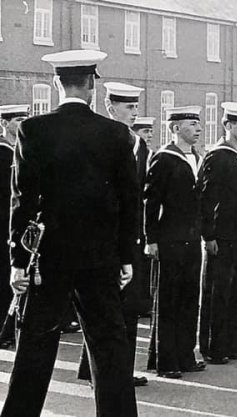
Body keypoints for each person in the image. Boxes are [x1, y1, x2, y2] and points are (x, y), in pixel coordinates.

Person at [2, 49, 138, 417]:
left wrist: (17, 261)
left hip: (49, 258)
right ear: (92, 84)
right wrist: (126, 256)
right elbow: (129, 201)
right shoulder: (116, 134)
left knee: (35, 346)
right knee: (110, 347)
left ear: (55, 83)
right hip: (100, 258)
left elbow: (22, 201)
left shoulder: (33, 130)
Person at [77, 81, 149, 387]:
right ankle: (109, 372)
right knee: (108, 309)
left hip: (129, 232)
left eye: (135, 107)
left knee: (121, 308)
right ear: (110, 108)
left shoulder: (137, 142)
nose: (134, 113)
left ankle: (102, 368)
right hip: (109, 235)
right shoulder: (101, 138)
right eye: (128, 107)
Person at [143, 105, 205, 378]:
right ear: (175, 128)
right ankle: (166, 361)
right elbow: (150, 201)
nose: (198, 129)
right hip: (170, 240)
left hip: (192, 240)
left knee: (190, 299)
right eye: (191, 124)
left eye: (198, 124)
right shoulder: (164, 158)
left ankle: (185, 355)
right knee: (168, 301)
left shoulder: (197, 157)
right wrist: (151, 238)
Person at [198, 102, 237, 364]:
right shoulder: (217, 155)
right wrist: (208, 235)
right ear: (228, 126)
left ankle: (235, 343)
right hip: (221, 234)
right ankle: (214, 346)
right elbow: (207, 197)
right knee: (218, 291)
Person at [0, 105, 29, 349]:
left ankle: (8, 328)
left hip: (14, 225)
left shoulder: (22, 151)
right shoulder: (2, 152)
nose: (22, 124)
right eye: (18, 119)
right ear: (5, 123)